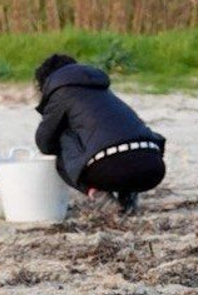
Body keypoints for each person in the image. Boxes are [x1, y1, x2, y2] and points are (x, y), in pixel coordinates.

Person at [34, 54, 166, 214]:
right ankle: (128, 195)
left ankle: (97, 194)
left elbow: (44, 142)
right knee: (119, 136)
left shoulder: (61, 92)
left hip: (109, 169)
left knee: (62, 140)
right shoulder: (103, 90)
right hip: (152, 166)